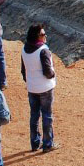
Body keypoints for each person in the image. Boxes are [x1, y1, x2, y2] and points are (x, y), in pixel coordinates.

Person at [21, 24, 58, 152]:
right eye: (43, 34)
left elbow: (23, 70)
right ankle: (48, 143)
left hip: (32, 88)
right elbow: (48, 72)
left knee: (34, 115)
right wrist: (53, 74)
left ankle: (34, 143)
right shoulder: (43, 50)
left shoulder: (24, 49)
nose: (45, 36)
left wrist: (31, 81)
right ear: (37, 36)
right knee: (47, 115)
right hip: (45, 88)